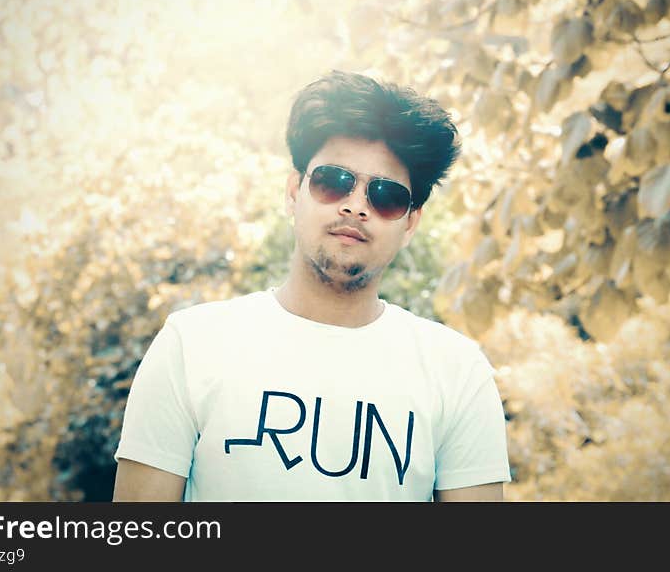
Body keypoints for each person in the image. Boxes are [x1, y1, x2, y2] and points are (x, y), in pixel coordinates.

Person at [112, 70, 510, 501]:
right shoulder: (191, 346)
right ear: (293, 191)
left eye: (387, 195)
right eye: (333, 181)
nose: (356, 205)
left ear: (411, 222)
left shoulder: (456, 371)